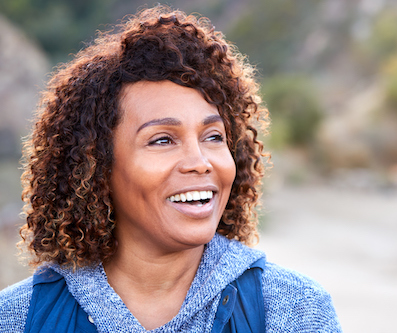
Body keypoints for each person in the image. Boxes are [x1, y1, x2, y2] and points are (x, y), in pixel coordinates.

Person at [0, 5, 343, 333]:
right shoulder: (17, 319)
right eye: (163, 140)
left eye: (213, 136)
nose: (199, 162)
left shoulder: (295, 311)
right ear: (95, 166)